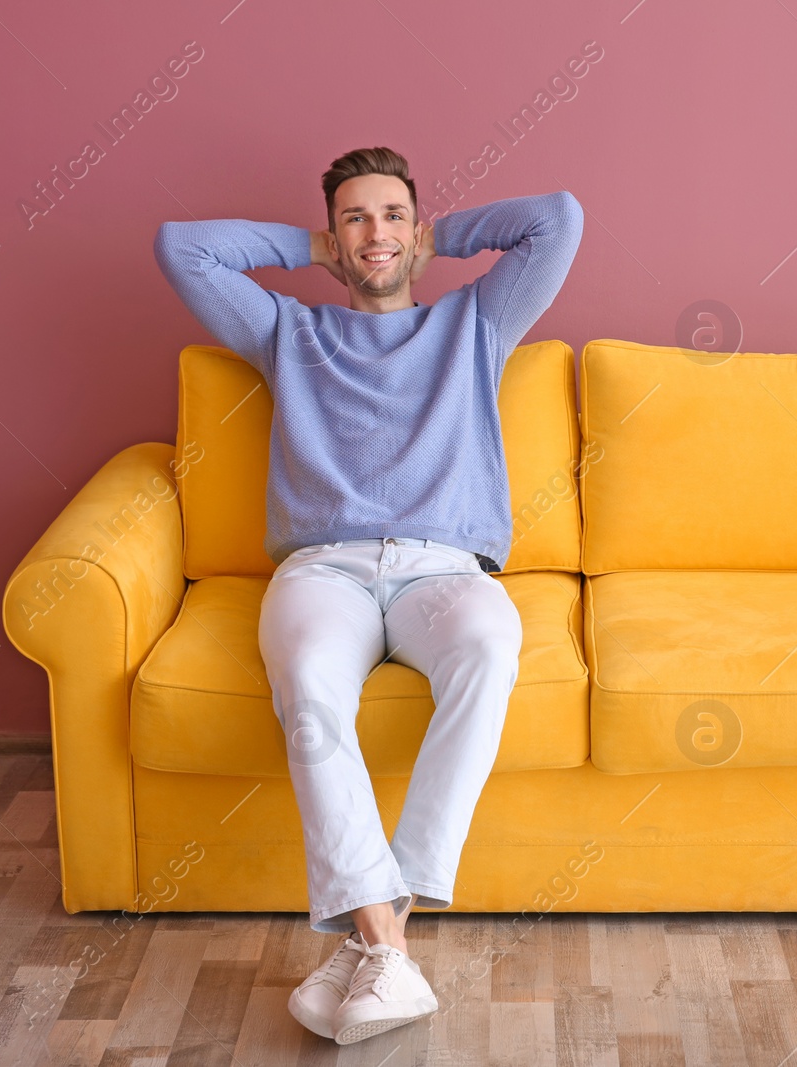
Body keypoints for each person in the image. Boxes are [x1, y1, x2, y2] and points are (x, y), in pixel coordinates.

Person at [153, 146, 582, 1044]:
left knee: (491, 648)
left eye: (392, 215)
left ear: (415, 228)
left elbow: (558, 219)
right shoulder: (288, 332)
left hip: (444, 570)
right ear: (335, 239)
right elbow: (180, 247)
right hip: (324, 568)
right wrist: (308, 242)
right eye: (355, 218)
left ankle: (377, 940)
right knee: (308, 684)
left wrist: (440, 241)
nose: (374, 233)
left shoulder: (475, 322)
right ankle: (385, 944)